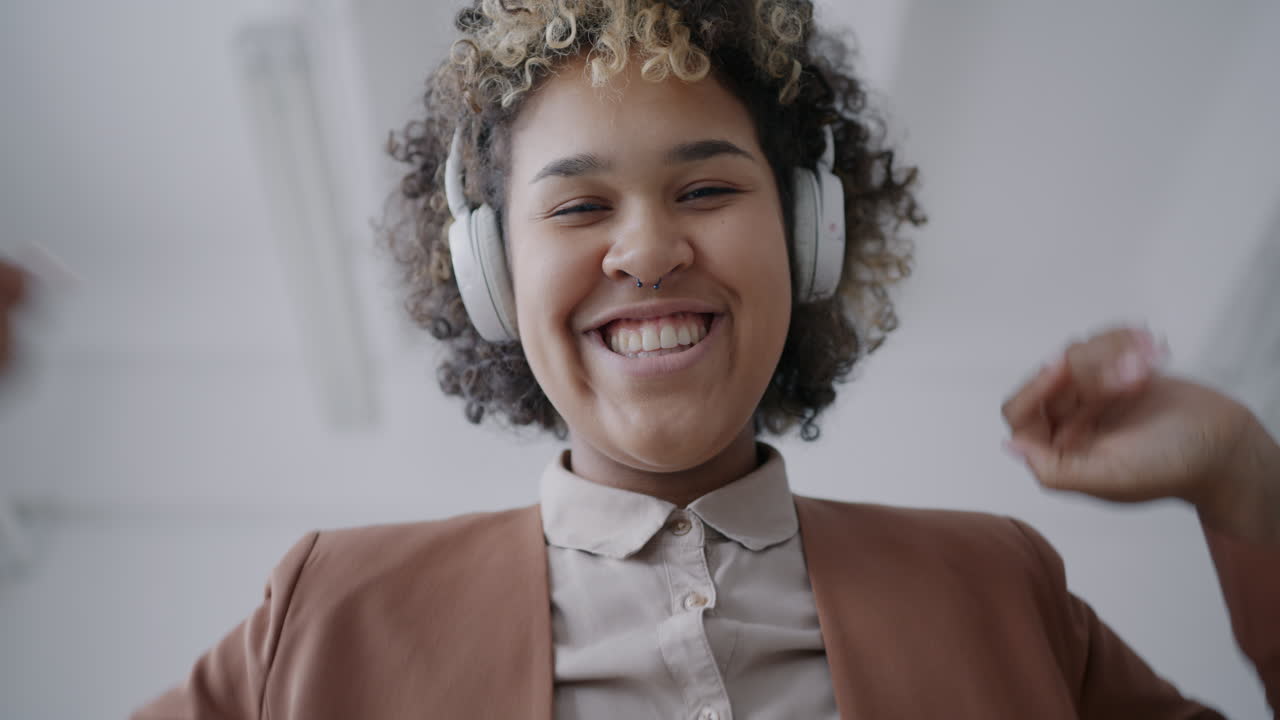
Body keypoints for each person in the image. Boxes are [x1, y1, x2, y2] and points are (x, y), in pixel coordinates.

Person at [132, 1, 1280, 717]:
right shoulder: (325, 615)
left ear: (807, 236)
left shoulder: (1001, 592)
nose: (645, 249)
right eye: (577, 205)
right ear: (489, 275)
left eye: (705, 188)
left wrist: (1240, 480)